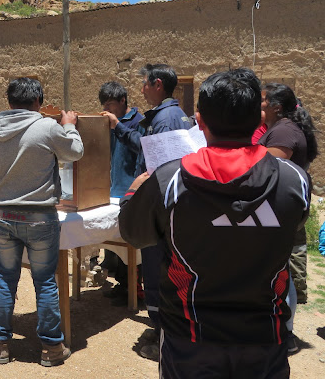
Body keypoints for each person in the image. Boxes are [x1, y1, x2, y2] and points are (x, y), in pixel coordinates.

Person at [119, 68, 311, 378]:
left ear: (200, 121)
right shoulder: (294, 181)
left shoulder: (169, 180)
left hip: (191, 340)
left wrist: (134, 191)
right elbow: (295, 222)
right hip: (264, 338)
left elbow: (134, 233)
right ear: (258, 120)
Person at [0, 77, 84, 367]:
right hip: (40, 219)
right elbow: (75, 152)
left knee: (5, 280)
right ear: (38, 102)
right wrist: (70, 125)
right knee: (45, 281)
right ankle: (51, 348)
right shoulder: (46, 126)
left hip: (2, 217)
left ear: (9, 103)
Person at [102, 63, 192, 360]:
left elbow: (160, 166)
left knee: (157, 269)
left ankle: (163, 332)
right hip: (172, 206)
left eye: (143, 83)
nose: (140, 89)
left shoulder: (164, 119)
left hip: (161, 205)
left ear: (156, 84)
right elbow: (143, 146)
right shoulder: (171, 115)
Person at [258, 83, 318, 353]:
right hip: (285, 210)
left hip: (281, 211)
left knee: (281, 273)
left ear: (276, 107)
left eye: (263, 102)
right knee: (281, 272)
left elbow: (266, 171)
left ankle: (287, 332)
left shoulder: (283, 131)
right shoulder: (284, 128)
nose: (259, 107)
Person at [97, 81, 144, 305]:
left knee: (131, 240)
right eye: (104, 104)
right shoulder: (108, 122)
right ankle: (121, 284)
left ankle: (135, 289)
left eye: (111, 104)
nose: (108, 108)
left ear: (123, 101)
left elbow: (141, 150)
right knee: (115, 240)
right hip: (112, 188)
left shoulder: (138, 121)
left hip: (130, 189)